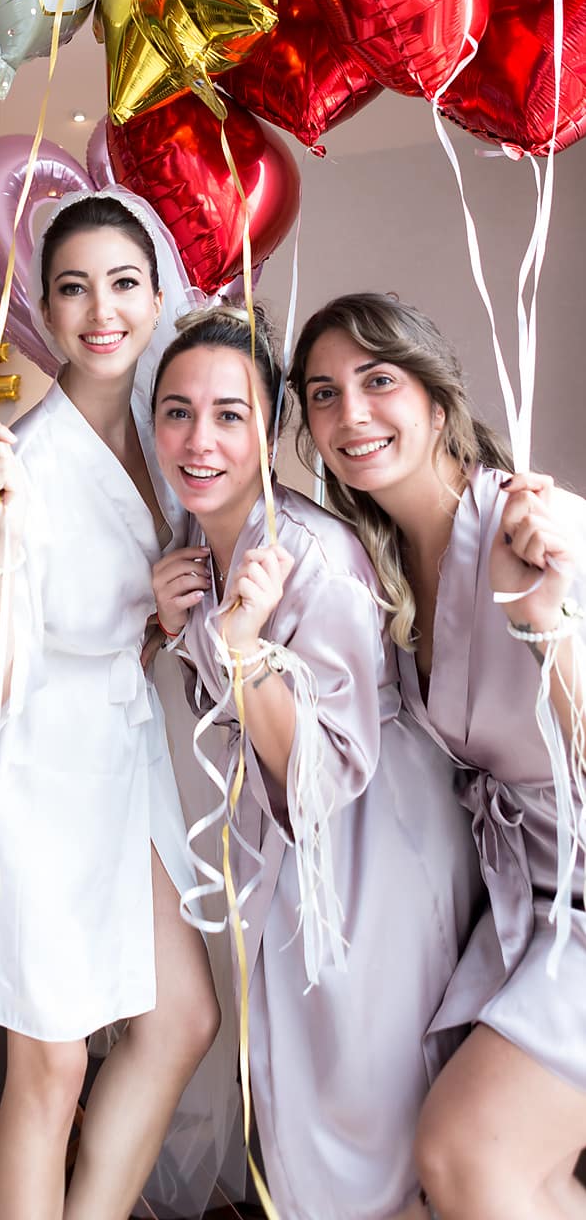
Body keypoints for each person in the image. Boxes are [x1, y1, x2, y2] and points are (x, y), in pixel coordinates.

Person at [151, 304, 481, 1220]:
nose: (200, 440)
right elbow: (225, 719)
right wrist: (181, 630)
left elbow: (323, 770)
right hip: (297, 859)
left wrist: (237, 651)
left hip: (373, 845)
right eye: (177, 412)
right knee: (301, 1100)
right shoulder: (200, 550)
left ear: (270, 432)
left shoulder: (312, 558)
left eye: (230, 415)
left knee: (365, 1108)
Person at [0, 192, 221, 1220]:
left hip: (120, 755)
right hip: (36, 770)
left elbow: (143, 618)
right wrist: (6, 535)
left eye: (122, 283)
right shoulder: (23, 459)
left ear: (157, 294)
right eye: (72, 288)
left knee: (181, 1016)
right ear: (43, 307)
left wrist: (159, 621)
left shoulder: (165, 431)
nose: (101, 311)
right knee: (50, 1064)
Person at [290, 291, 586, 1220]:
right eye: (323, 394)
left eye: (377, 381)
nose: (351, 413)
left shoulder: (535, 525)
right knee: (480, 1183)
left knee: (464, 1154)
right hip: (522, 907)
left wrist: (543, 626)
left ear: (434, 395)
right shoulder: (375, 569)